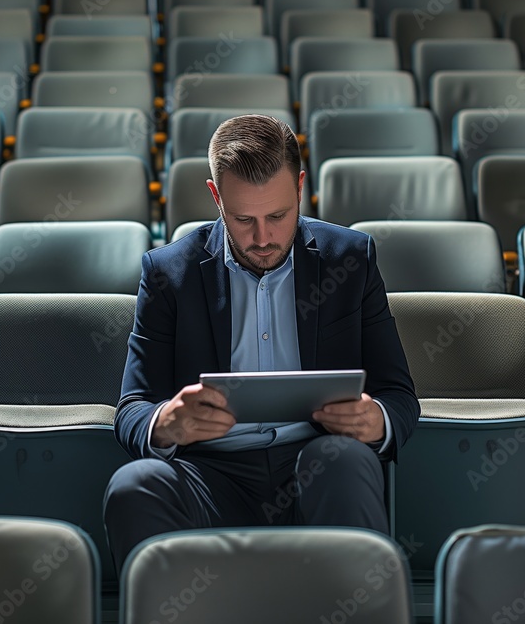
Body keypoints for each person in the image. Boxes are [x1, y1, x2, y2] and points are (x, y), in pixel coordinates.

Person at [104, 114, 419, 571]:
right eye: (242, 219)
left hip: (319, 463)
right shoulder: (168, 272)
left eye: (277, 215)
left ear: (300, 188)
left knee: (344, 462)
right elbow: (131, 409)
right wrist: (165, 424)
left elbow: (400, 396)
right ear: (216, 197)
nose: (263, 237)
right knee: (133, 487)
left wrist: (377, 421)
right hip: (209, 473)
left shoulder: (351, 260)